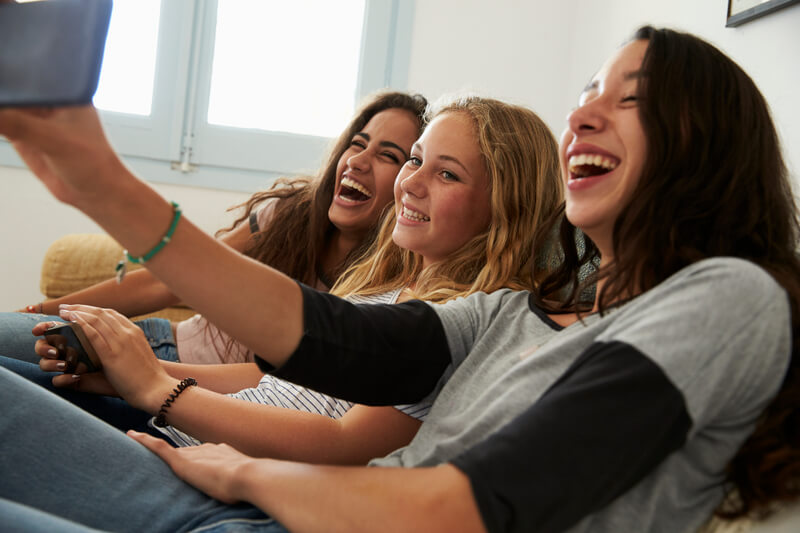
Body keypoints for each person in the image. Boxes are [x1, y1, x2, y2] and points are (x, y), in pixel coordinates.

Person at [0, 25, 798, 533]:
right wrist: (98, 182)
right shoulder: (519, 311)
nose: (582, 117)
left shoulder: (729, 297)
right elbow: (332, 336)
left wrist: (234, 459)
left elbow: (471, 506)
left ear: (707, 147)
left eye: (632, 101)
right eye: (585, 95)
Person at [2, 96, 563, 462]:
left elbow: (344, 443)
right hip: (185, 410)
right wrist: (132, 370)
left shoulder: (455, 324)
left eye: (445, 172)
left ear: (505, 205)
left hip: (199, 437)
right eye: (416, 160)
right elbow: (269, 378)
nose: (410, 182)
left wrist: (155, 384)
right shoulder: (383, 279)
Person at [0, 90, 427, 366]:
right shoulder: (291, 216)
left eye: (388, 155)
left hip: (178, 392)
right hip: (158, 346)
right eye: (357, 143)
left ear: (413, 179)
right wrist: (37, 313)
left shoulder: (395, 288)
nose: (357, 160)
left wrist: (151, 379)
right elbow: (166, 282)